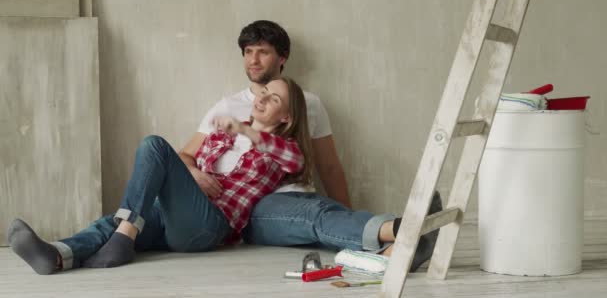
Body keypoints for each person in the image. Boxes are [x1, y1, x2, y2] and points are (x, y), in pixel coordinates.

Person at [183, 20, 442, 267]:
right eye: (248, 51)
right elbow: (186, 155)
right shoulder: (226, 107)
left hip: (301, 194)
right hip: (253, 206)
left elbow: (329, 167)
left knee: (321, 214)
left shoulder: (308, 103)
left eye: (263, 52)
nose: (253, 59)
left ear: (282, 58)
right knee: (312, 218)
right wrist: (194, 174)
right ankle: (406, 230)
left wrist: (346, 212)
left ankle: (395, 252)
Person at [8, 77, 312, 274]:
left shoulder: (282, 151)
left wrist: (245, 129)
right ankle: (57, 255)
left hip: (208, 226)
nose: (261, 98)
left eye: (273, 99)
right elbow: (184, 164)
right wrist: (192, 173)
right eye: (264, 92)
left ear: (286, 116)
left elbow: (295, 159)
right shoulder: (223, 135)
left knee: (153, 145)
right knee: (112, 222)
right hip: (176, 215)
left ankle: (123, 240)